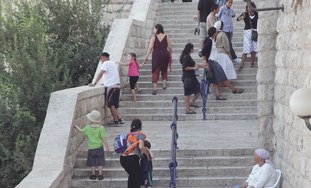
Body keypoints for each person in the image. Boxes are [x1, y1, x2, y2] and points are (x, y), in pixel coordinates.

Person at [202, 27, 244, 100]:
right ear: (214, 33)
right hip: (212, 62)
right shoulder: (209, 41)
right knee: (222, 77)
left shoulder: (210, 40)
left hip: (212, 61)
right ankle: (234, 89)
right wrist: (205, 62)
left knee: (215, 80)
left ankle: (218, 95)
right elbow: (203, 52)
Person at [89, 52, 125, 126]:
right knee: (115, 105)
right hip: (117, 86)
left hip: (111, 87)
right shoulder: (112, 63)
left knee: (111, 104)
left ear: (105, 57)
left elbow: (101, 73)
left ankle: (115, 121)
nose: (100, 60)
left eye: (101, 58)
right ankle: (119, 119)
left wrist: (94, 83)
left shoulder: (105, 63)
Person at [74, 110, 110, 180]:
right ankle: (100, 175)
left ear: (91, 119)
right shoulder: (101, 128)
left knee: (92, 162)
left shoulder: (88, 127)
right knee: (100, 161)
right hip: (99, 148)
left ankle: (93, 175)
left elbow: (81, 131)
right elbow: (104, 139)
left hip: (91, 148)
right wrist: (107, 147)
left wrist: (76, 127)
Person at [142, 24, 172, 95]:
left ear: (157, 29)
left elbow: (150, 48)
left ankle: (155, 88)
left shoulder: (154, 37)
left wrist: (146, 57)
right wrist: (170, 54)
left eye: (154, 29)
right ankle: (164, 84)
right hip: (165, 54)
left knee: (155, 70)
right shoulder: (167, 36)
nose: (153, 30)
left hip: (156, 54)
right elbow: (170, 47)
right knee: (164, 69)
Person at [120, 119, 150, 188]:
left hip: (123, 158)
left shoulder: (128, 135)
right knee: (137, 177)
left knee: (132, 176)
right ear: (140, 127)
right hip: (132, 158)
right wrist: (147, 154)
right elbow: (141, 147)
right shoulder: (140, 135)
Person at [180, 43, 207, 114]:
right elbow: (185, 67)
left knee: (198, 89)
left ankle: (191, 102)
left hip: (191, 77)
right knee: (187, 93)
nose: (193, 49)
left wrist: (203, 66)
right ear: (190, 49)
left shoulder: (188, 56)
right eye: (192, 48)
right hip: (187, 78)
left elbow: (195, 64)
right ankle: (187, 109)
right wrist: (193, 68)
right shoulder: (186, 57)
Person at [237, 1, 258, 72]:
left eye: (250, 7)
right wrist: (242, 17)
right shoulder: (245, 14)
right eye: (247, 7)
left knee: (254, 48)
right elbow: (237, 19)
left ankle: (252, 62)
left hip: (254, 32)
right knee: (246, 48)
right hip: (247, 32)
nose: (248, 8)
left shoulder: (257, 14)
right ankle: (241, 64)